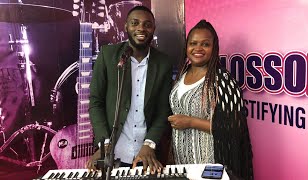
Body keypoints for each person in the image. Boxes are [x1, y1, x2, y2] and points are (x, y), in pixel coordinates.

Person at [86, 5, 173, 173]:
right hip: (113, 155)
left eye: (147, 24)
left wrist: (149, 144)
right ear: (126, 26)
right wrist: (104, 145)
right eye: (135, 23)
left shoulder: (163, 63)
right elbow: (96, 102)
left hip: (148, 156)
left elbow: (163, 111)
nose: (141, 28)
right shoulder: (108, 55)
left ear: (153, 29)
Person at [168, 19, 254, 179]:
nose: (198, 48)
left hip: (209, 164)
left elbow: (234, 127)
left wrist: (191, 122)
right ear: (187, 46)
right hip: (182, 163)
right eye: (193, 43)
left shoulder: (222, 80)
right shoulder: (182, 74)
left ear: (214, 48)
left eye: (205, 44)